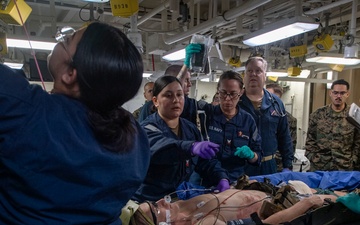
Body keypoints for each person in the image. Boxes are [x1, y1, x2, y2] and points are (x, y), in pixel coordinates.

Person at [0, 22, 151, 224]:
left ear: (70, 74)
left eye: (68, 40)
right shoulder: (135, 137)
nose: (62, 41)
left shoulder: (25, 111)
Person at [132, 76, 220, 202]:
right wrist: (191, 147)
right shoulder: (146, 129)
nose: (176, 100)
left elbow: (204, 161)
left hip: (176, 199)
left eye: (180, 95)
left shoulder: (190, 129)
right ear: (156, 101)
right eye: (168, 95)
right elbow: (165, 148)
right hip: (148, 201)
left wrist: (221, 177)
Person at [195, 70, 263, 191]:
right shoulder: (206, 115)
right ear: (218, 90)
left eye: (233, 94)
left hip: (237, 184)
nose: (227, 99)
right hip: (207, 182)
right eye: (223, 93)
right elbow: (181, 100)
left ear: (241, 92)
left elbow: (258, 156)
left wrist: (251, 155)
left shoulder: (248, 121)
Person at [127, 188, 333, 225]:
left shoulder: (180, 205)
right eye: (156, 209)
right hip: (290, 204)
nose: (162, 201)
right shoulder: (203, 223)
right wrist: (304, 205)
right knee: (342, 200)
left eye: (154, 202)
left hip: (275, 190)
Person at [239, 57, 293, 176]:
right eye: (249, 71)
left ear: (265, 75)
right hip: (240, 166)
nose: (253, 74)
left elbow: (284, 136)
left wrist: (287, 165)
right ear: (244, 75)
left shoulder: (276, 103)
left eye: (258, 71)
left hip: (268, 166)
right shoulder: (235, 101)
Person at [305, 79, 360, 171]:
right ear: (330, 93)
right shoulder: (318, 114)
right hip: (320, 166)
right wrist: (313, 158)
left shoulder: (354, 116)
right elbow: (310, 139)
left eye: (342, 93)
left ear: (347, 94)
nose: (338, 96)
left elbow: (358, 142)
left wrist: (353, 161)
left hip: (344, 167)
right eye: (335, 93)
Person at [266, 83, 297, 172]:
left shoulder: (289, 119)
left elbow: (289, 144)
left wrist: (286, 165)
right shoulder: (261, 115)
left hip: (278, 165)